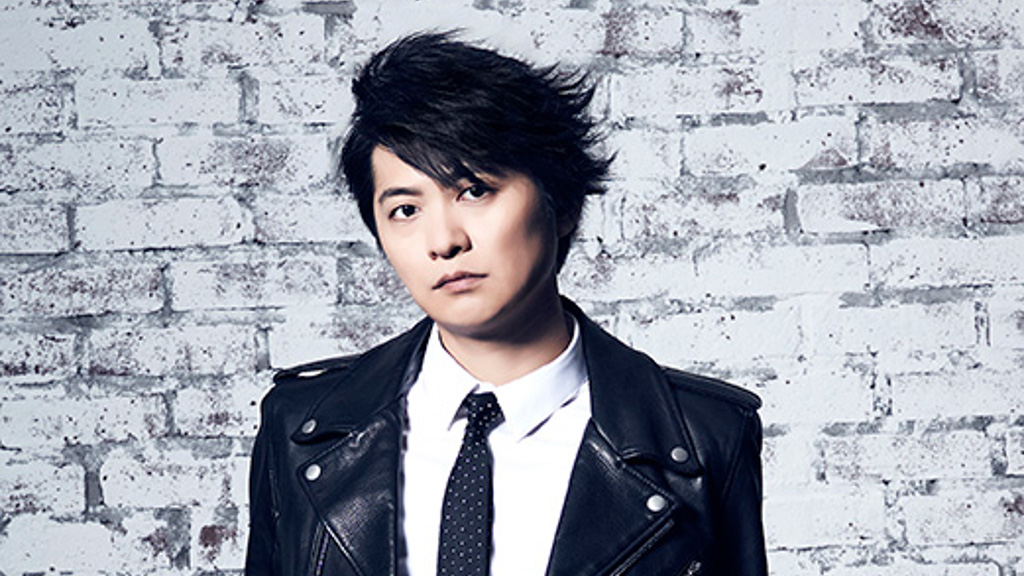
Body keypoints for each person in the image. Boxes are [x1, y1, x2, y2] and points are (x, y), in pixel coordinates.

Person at [245, 32, 767, 576]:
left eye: (474, 191)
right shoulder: (300, 426)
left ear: (562, 203)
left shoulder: (704, 440)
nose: (443, 241)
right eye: (405, 210)